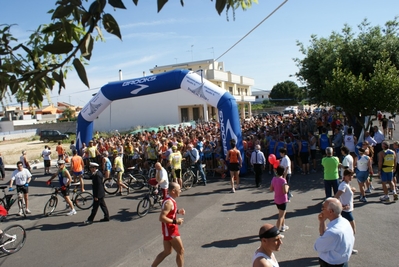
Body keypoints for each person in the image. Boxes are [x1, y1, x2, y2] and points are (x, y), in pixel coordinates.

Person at [151, 182, 185, 267]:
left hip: (168, 230)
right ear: (173, 191)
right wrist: (176, 221)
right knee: (181, 251)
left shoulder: (169, 200)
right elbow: (162, 218)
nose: (180, 190)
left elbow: (169, 211)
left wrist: (177, 211)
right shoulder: (169, 202)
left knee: (167, 251)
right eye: (179, 189)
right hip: (171, 230)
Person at [314, 198, 354, 267]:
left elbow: (317, 247)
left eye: (323, 207)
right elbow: (323, 234)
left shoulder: (333, 233)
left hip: (331, 264)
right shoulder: (345, 222)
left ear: (330, 212)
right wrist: (322, 221)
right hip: (342, 262)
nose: (322, 209)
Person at [334, 169, 358, 255]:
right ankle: (348, 248)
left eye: (352, 175)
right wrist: (341, 207)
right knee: (352, 230)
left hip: (348, 211)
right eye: (349, 176)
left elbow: (347, 190)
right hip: (346, 212)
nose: (351, 177)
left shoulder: (346, 184)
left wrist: (352, 189)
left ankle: (344, 247)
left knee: (347, 231)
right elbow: (336, 197)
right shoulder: (343, 185)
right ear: (345, 176)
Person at [270, 166, 289, 234]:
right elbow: (285, 191)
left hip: (276, 199)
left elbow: (271, 189)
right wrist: (287, 186)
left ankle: (283, 226)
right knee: (281, 216)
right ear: (283, 172)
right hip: (283, 200)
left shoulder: (274, 179)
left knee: (282, 213)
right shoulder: (283, 180)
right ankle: (276, 232)